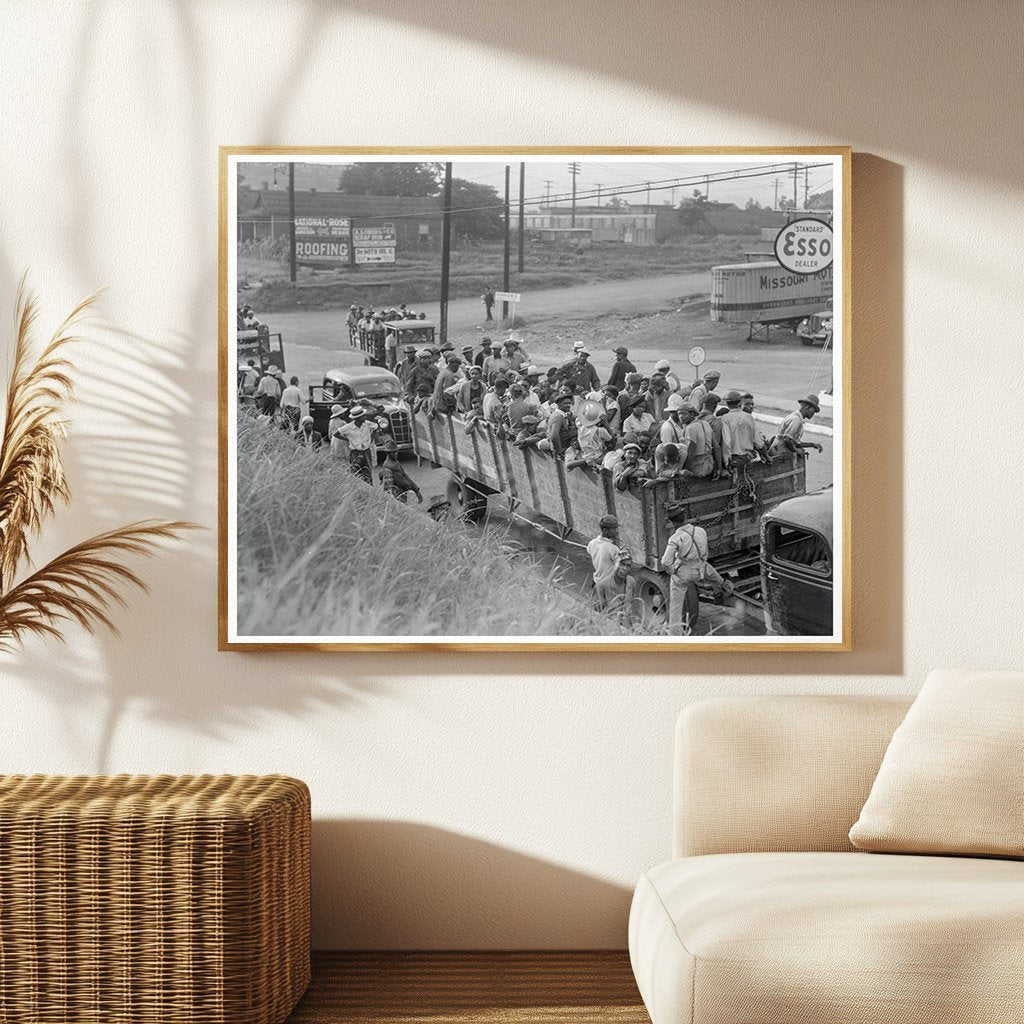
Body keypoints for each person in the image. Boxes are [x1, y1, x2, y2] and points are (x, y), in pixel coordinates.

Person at [661, 501, 709, 634]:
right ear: (685, 516)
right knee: (709, 571)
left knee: (675, 607)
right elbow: (705, 553)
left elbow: (665, 561)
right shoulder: (700, 531)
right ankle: (721, 583)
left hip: (684, 574)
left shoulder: (675, 538)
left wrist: (672, 571)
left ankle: (674, 635)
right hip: (700, 571)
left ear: (673, 523)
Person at [587, 514, 635, 616]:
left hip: (596, 582)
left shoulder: (591, 543)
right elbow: (622, 569)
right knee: (614, 614)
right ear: (605, 530)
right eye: (614, 529)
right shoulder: (612, 549)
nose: (617, 531)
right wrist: (625, 554)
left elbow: (592, 552)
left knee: (598, 612)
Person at [720, 389, 767, 466]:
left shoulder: (725, 418)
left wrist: (726, 461)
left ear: (727, 404)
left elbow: (727, 442)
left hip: (735, 458)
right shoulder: (749, 417)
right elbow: (758, 442)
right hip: (748, 457)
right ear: (740, 402)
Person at [333, 405, 376, 483]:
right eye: (363, 416)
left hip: (366, 451)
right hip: (355, 453)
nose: (365, 417)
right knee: (355, 473)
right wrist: (348, 439)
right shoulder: (348, 427)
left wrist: (371, 438)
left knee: (367, 473)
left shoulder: (367, 424)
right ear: (358, 418)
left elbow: (376, 427)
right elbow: (336, 434)